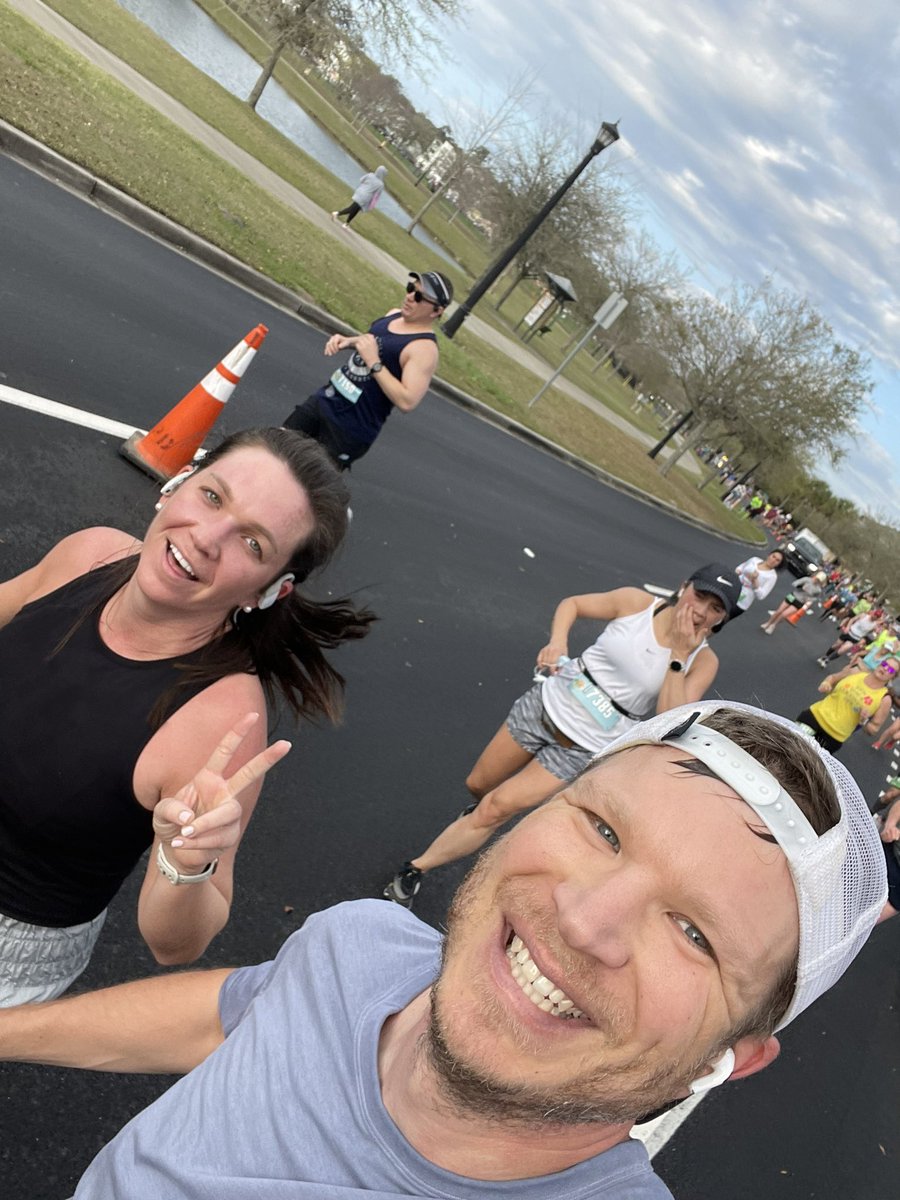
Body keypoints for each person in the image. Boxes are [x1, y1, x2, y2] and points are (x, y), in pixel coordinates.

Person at [0, 702, 885, 1199]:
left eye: (694, 935)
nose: (586, 920)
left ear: (736, 1059)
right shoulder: (360, 943)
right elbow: (231, 1016)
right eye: (604, 830)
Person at [0, 428, 374, 1005]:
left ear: (270, 591)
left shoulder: (222, 720)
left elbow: (174, 944)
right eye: (213, 496)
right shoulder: (91, 553)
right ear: (177, 484)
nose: (207, 537)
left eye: (252, 543)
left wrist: (188, 862)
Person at [383, 563, 742, 907]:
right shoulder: (637, 603)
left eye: (716, 609)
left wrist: (678, 655)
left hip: (583, 746)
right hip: (545, 705)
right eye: (700, 596)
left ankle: (415, 869)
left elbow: (668, 717)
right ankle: (474, 815)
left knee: (496, 808)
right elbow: (572, 604)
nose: (701, 611)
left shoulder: (702, 661)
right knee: (479, 786)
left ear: (723, 620)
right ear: (684, 587)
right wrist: (558, 642)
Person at [283, 270, 453, 470]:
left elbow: (407, 401)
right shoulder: (393, 315)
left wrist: (374, 363)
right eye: (410, 288)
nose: (409, 297)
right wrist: (349, 341)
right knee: (273, 452)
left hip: (348, 429)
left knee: (305, 481)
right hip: (323, 401)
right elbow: (373, 341)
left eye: (418, 296)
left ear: (436, 311)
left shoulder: (424, 349)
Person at [795, 657, 898, 754]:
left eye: (891, 670)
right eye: (884, 664)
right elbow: (833, 678)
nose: (885, 669)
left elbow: (874, 728)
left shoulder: (885, 699)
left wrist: (864, 720)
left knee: (802, 762)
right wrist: (826, 683)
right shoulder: (855, 672)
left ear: (893, 677)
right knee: (790, 748)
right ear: (879, 664)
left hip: (833, 736)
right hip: (814, 716)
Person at [759, 569, 825, 634]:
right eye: (817, 578)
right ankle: (768, 623)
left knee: (784, 614)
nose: (816, 580)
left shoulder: (818, 590)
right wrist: (801, 586)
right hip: (793, 596)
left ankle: (773, 625)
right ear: (815, 576)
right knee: (779, 611)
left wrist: (808, 598)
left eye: (819, 581)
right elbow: (794, 583)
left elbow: (815, 598)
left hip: (799, 602)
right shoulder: (806, 579)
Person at [815, 609, 882, 666]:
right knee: (836, 645)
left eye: (877, 616)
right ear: (873, 613)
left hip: (855, 638)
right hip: (849, 632)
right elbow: (852, 619)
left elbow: (875, 636)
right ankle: (825, 656)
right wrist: (848, 627)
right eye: (875, 615)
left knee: (842, 650)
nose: (875, 617)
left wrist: (877, 634)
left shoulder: (875, 625)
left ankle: (827, 660)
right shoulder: (863, 616)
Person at [734, 549, 783, 615]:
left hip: (741, 601)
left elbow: (761, 596)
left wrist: (755, 581)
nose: (773, 560)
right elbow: (741, 567)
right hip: (733, 588)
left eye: (777, 560)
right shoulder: (754, 560)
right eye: (773, 556)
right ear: (769, 555)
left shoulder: (772, 576)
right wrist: (738, 572)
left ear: (778, 564)